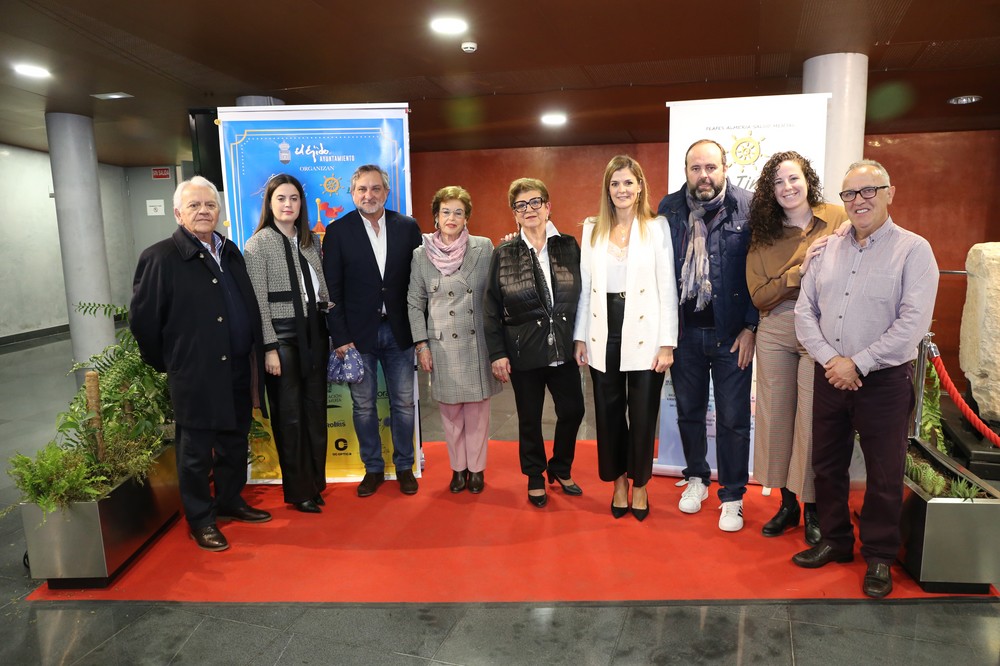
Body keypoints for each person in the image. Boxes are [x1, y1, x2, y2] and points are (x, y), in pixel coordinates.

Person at [793, 159, 938, 598]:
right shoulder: (826, 249)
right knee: (828, 464)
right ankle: (836, 541)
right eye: (851, 194)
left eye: (869, 190)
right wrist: (831, 360)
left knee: (884, 470)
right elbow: (805, 312)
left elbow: (912, 324)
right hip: (830, 374)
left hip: (884, 381)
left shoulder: (915, 250)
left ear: (890, 192)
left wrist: (858, 363)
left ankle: (878, 555)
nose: (859, 201)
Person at [130, 175, 271, 552]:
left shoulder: (230, 251)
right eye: (194, 205)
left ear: (219, 213)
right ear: (178, 213)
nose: (203, 211)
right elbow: (144, 322)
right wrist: (174, 363)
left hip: (238, 367)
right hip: (195, 373)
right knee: (195, 452)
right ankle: (200, 518)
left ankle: (229, 500)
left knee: (233, 441)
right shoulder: (160, 257)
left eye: (210, 205)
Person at [746, 151, 848, 544]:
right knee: (776, 418)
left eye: (794, 179)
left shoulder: (837, 218)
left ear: (808, 180)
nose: (787, 188)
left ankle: (813, 508)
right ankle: (786, 503)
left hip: (822, 330)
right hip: (775, 329)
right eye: (778, 182)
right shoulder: (764, 232)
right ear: (770, 191)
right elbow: (759, 295)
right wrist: (797, 272)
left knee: (811, 421)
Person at [657, 139, 758, 532]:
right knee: (689, 413)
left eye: (711, 167)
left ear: (725, 167)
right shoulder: (669, 208)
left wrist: (751, 326)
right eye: (696, 168)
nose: (704, 176)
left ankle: (732, 495)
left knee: (734, 419)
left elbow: (758, 270)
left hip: (732, 336)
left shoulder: (748, 206)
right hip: (685, 336)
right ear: (686, 171)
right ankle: (697, 477)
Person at [573, 156, 678, 521]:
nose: (622, 190)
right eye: (615, 183)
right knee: (608, 412)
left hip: (645, 331)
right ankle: (618, 482)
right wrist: (580, 337)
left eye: (628, 183)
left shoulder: (657, 226)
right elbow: (586, 288)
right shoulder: (592, 229)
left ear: (640, 187)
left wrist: (667, 342)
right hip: (603, 329)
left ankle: (641, 485)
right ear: (607, 188)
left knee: (644, 411)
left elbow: (667, 287)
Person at [483, 178, 585, 508]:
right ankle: (535, 475)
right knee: (529, 417)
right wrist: (497, 353)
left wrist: (582, 337)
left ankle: (561, 467)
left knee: (573, 410)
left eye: (535, 202)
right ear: (514, 214)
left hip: (563, 348)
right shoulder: (504, 253)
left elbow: (584, 294)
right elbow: (491, 307)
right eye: (521, 205)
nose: (530, 210)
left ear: (548, 206)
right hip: (523, 350)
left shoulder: (569, 245)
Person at [322, 164, 423, 497]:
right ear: (352, 194)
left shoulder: (407, 228)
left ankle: (405, 466)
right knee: (364, 406)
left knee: (405, 404)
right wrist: (339, 337)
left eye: (376, 188)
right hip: (357, 335)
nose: (369, 195)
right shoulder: (337, 231)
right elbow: (331, 291)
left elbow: (418, 281)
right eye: (362, 189)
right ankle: (374, 469)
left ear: (386, 192)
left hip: (399, 331)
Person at [244, 174, 330, 513]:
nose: (288, 204)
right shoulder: (258, 244)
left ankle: (315, 482)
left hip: (315, 332)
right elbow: (258, 304)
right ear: (269, 203)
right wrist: (269, 348)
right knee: (290, 416)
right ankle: (298, 491)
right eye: (281, 198)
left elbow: (321, 288)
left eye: (294, 198)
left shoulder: (311, 241)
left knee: (315, 412)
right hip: (281, 336)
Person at [407, 186, 501, 494]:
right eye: (446, 211)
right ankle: (457, 469)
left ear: (466, 218)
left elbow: (495, 293)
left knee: (477, 412)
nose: (451, 217)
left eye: (458, 212)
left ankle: (476, 470)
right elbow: (414, 302)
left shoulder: (483, 247)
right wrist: (421, 344)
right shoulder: (421, 255)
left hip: (476, 344)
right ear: (435, 216)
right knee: (450, 413)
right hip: (441, 345)